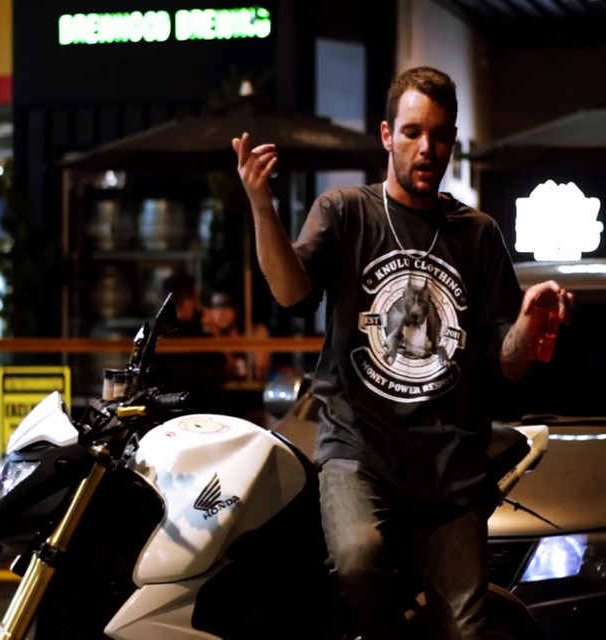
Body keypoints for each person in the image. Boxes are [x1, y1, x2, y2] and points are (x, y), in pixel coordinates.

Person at [232, 66, 574, 639]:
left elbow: (509, 365)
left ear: (453, 141)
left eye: (439, 136)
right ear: (387, 135)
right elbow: (291, 293)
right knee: (357, 560)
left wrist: (526, 322)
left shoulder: (478, 233)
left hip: (450, 472)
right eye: (413, 132)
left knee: (465, 631)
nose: (426, 148)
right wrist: (261, 206)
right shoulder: (346, 211)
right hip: (360, 452)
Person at [148, 274, 225, 410]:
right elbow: (222, 363)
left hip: (160, 407)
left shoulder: (153, 333)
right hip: (196, 407)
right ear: (188, 300)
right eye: (196, 299)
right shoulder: (196, 335)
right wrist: (214, 330)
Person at [206, 290, 271, 382]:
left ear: (237, 307)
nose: (220, 312)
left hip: (252, 388)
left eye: (226, 306)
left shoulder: (257, 332)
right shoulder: (210, 334)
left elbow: (257, 373)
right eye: (216, 307)